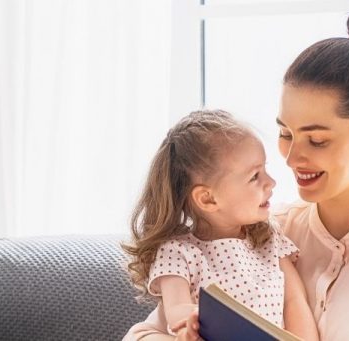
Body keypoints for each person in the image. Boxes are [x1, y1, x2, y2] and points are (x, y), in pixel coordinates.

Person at [126, 10, 349, 341]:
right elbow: (144, 334)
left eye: (316, 140)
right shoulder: (258, 231)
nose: (292, 157)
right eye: (286, 134)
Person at [122, 109, 320, 341]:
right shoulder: (178, 252)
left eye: (265, 170)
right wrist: (190, 325)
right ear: (208, 199)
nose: (271, 182)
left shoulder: (270, 240)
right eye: (255, 176)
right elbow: (177, 310)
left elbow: (295, 301)